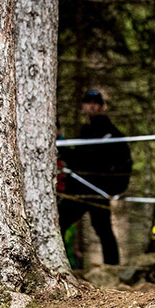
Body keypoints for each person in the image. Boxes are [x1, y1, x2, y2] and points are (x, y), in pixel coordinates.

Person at [58, 90, 132, 266]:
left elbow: (85, 159)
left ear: (102, 106)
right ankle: (109, 268)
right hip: (86, 187)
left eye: (96, 102)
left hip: (93, 189)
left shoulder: (108, 131)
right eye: (88, 102)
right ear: (82, 106)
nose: (92, 105)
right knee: (67, 224)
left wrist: (61, 144)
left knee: (98, 228)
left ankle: (111, 269)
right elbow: (81, 158)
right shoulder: (87, 130)